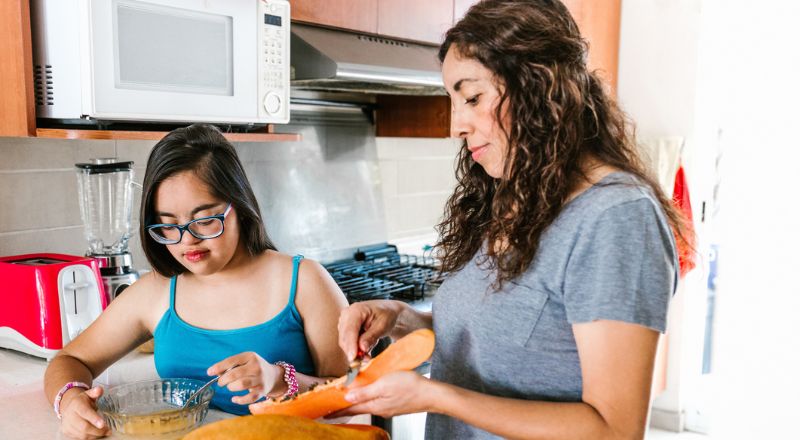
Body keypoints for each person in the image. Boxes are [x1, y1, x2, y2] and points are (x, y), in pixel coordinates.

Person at [335, 1, 690, 438]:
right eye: (453, 101)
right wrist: (400, 317)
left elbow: (614, 430)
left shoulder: (616, 219)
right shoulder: (521, 198)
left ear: (537, 85)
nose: (456, 126)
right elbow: (495, 348)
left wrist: (434, 396)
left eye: (472, 97)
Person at [44, 124, 349, 439]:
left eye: (204, 220)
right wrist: (70, 400)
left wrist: (280, 379)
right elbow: (70, 359)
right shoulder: (158, 291)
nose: (187, 241)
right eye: (168, 225)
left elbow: (351, 394)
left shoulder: (305, 281)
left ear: (240, 207)